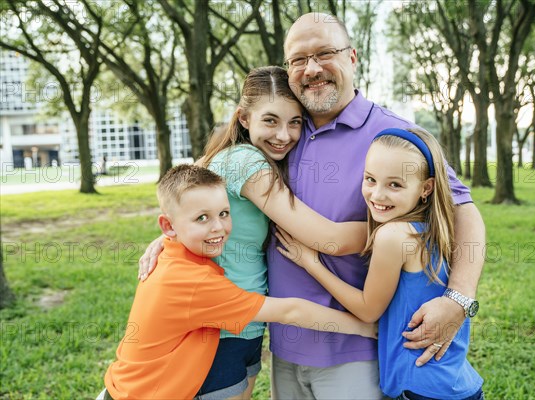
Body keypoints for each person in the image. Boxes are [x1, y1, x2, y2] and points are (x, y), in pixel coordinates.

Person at [264, 12, 486, 399]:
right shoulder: (281, 132)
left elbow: (463, 209)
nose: (312, 68)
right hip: (283, 346)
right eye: (299, 59)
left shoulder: (393, 135)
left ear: (352, 58)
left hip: (356, 353)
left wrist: (459, 298)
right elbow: (214, 186)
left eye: (324, 53)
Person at [138, 66, 367, 400]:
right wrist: (393, 229)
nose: (284, 135)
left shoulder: (247, 159)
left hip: (245, 326)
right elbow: (327, 239)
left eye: (295, 122)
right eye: (270, 120)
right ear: (244, 119)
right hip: (220, 330)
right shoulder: (245, 162)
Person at [99, 164, 375, 400]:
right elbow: (290, 311)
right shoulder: (194, 283)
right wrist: (363, 327)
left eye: (224, 213)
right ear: (168, 226)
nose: (218, 227)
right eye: (202, 218)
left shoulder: (173, 254)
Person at [276, 128, 484, 400]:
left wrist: (311, 264)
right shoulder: (438, 230)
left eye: (394, 185)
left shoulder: (392, 236)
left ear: (426, 188)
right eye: (370, 179)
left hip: (420, 388)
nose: (377, 195)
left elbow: (367, 309)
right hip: (456, 384)